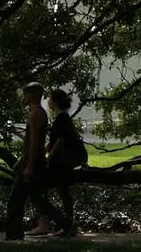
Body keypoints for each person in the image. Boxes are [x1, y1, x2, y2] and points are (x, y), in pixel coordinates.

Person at [5, 82, 71, 241]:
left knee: (16, 201)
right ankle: (65, 223)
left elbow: (35, 142)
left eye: (25, 94)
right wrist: (22, 161)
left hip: (34, 163)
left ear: (30, 95)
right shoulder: (39, 113)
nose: (23, 97)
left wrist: (29, 166)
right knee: (36, 199)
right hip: (33, 161)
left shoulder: (35, 114)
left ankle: (14, 236)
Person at [26, 87, 87, 238]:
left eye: (50, 100)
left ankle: (49, 224)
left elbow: (59, 142)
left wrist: (48, 157)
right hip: (61, 164)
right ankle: (66, 224)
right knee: (62, 192)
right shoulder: (62, 118)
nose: (49, 103)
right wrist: (42, 150)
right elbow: (54, 141)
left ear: (54, 102)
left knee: (43, 189)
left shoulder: (62, 119)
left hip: (60, 164)